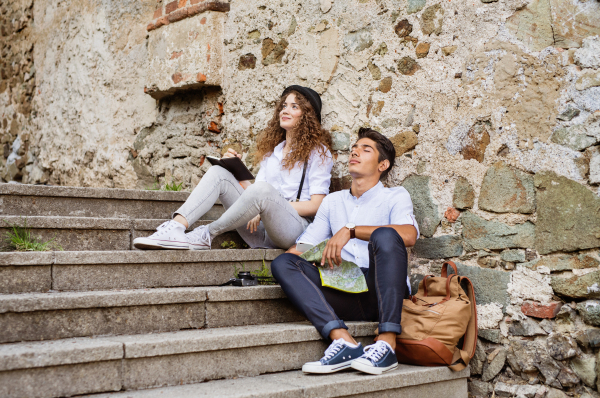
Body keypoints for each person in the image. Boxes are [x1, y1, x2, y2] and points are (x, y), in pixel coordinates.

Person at [271, 128, 419, 375]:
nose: (355, 151)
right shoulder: (333, 201)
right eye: (354, 148)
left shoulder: (395, 196)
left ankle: (387, 343)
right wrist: (289, 262)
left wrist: (351, 230)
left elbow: (408, 235)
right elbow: (306, 245)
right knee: (283, 263)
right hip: (343, 292)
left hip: (382, 292)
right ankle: (343, 341)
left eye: (365, 149)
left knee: (385, 234)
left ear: (383, 164)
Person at [133, 85, 333, 250]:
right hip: (259, 231)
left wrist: (268, 205)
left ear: (307, 115)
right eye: (284, 106)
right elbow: (255, 192)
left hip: (293, 230)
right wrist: (235, 170)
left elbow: (316, 205)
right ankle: (176, 227)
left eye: (294, 107)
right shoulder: (274, 151)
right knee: (220, 172)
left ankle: (206, 234)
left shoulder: (318, 152)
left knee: (263, 192)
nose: (285, 110)